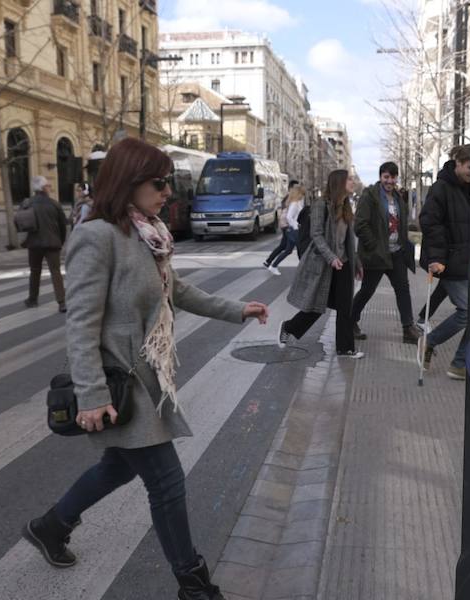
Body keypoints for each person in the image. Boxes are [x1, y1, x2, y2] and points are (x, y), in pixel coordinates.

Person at [23, 138, 268, 600]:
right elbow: (80, 324)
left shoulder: (145, 233)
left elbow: (176, 290)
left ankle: (51, 527)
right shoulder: (96, 237)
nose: (167, 192)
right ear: (128, 181)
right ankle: (193, 583)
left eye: (168, 182)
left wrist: (238, 309)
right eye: (159, 183)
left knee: (119, 466)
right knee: (166, 480)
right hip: (121, 380)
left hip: (146, 375)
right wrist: (92, 395)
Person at [278, 169, 364, 358]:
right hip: (324, 264)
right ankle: (289, 327)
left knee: (345, 307)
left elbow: (349, 239)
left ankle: (345, 348)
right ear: (339, 183)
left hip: (344, 263)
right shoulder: (320, 205)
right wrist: (331, 257)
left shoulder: (346, 205)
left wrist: (356, 263)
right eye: (349, 179)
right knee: (317, 307)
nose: (353, 182)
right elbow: (316, 234)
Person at [351, 162, 421, 344]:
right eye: (386, 177)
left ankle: (408, 329)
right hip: (377, 254)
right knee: (367, 290)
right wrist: (373, 244)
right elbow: (360, 224)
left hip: (396, 252)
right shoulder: (370, 195)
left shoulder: (398, 197)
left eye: (393, 177)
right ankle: (349, 321)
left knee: (403, 289)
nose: (390, 181)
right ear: (381, 177)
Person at [419, 145, 470, 380]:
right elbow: (431, 223)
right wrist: (437, 258)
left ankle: (459, 364)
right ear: (458, 163)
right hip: (449, 261)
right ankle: (429, 341)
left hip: (469, 260)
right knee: (469, 311)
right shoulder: (441, 188)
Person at [21, 176, 69, 312]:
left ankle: (33, 299)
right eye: (48, 185)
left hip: (34, 243)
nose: (50, 188)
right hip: (53, 243)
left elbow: (21, 223)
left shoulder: (27, 203)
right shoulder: (55, 204)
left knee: (35, 271)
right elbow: (62, 225)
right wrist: (61, 240)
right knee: (55, 272)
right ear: (43, 188)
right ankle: (62, 302)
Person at [265, 185, 305, 275]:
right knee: (300, 248)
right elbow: (289, 217)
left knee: (289, 250)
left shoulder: (296, 202)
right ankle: (303, 268)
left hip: (292, 229)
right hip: (294, 230)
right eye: (302, 193)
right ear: (298, 194)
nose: (303, 195)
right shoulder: (295, 204)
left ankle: (274, 265)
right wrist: (296, 226)